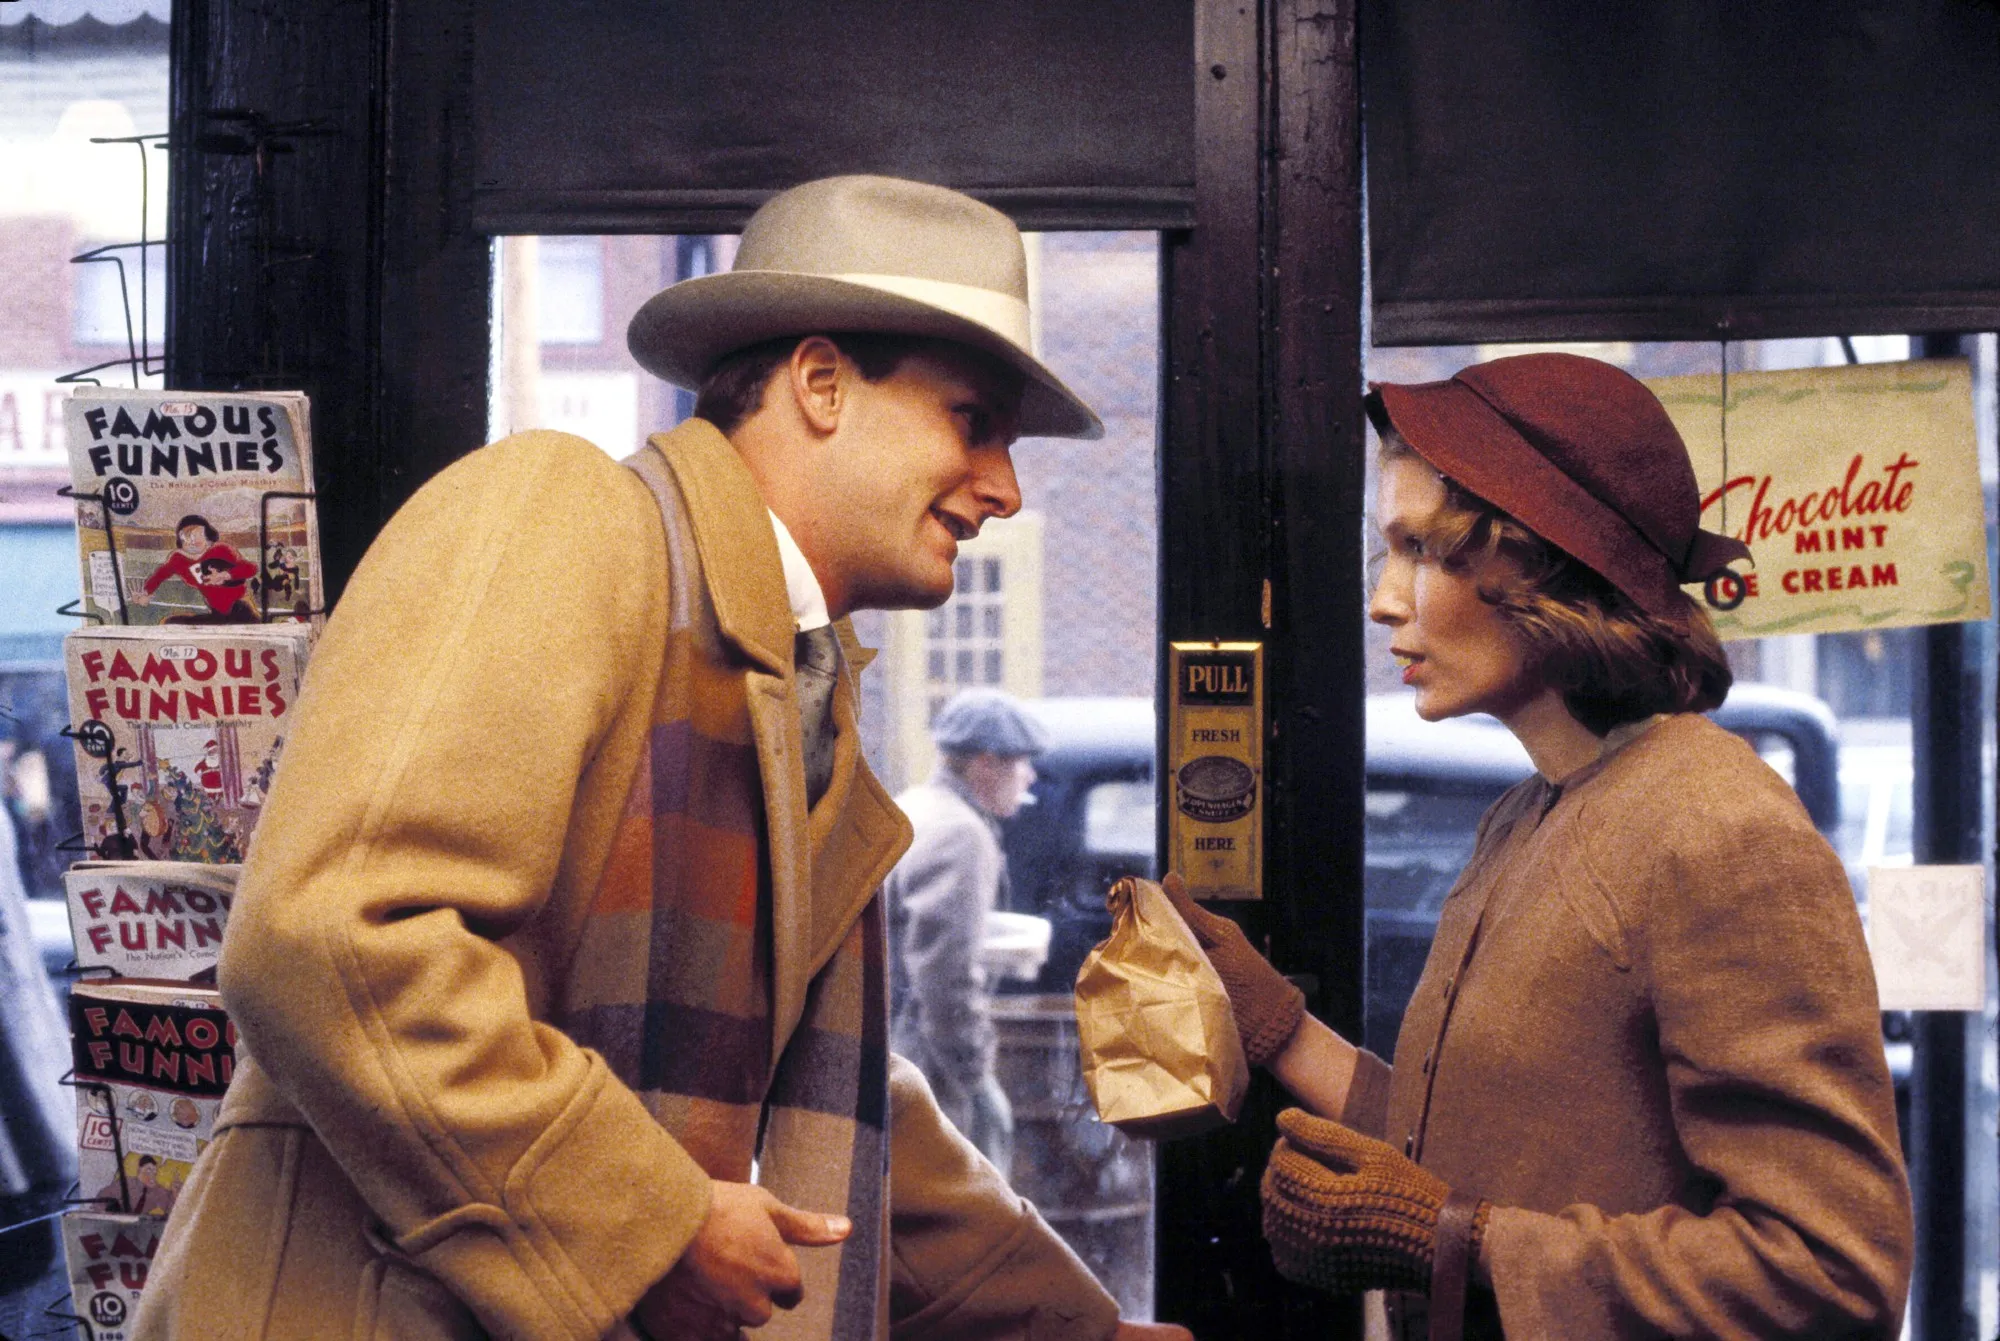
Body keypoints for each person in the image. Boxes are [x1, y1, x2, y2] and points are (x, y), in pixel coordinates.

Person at [134, 176, 1190, 1341]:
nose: (1002, 488)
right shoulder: (562, 514)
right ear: (821, 384)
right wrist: (651, 1223)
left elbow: (826, 1099)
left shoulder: (794, 680)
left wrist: (1077, 1330)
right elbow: (336, 935)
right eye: (971, 421)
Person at [1159, 353, 1912, 1339]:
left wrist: (1451, 1243)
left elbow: (1831, 1275)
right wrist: (1276, 1029)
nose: (1385, 600)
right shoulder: (1526, 814)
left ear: (1548, 560)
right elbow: (1491, 1149)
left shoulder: (1720, 835)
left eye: (1419, 550)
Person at [887, 689, 1048, 1172]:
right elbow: (944, 974)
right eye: (1020, 763)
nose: (1029, 777)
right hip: (927, 1062)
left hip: (897, 1049)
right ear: (985, 764)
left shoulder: (917, 806)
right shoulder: (959, 834)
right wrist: (975, 1077)